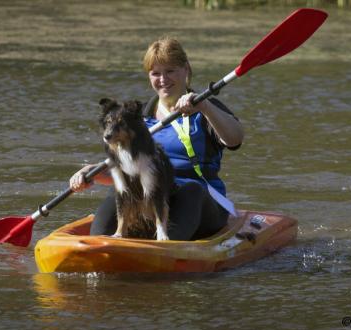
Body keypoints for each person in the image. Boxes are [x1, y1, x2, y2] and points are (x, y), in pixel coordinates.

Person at [70, 37, 244, 241]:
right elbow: (127, 168)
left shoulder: (206, 107)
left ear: (186, 69)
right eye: (156, 73)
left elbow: (235, 140)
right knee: (120, 189)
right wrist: (91, 172)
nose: (163, 79)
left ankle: (167, 249)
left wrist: (204, 108)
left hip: (201, 202)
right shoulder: (136, 118)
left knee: (191, 190)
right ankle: (102, 245)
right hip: (151, 194)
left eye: (170, 71)